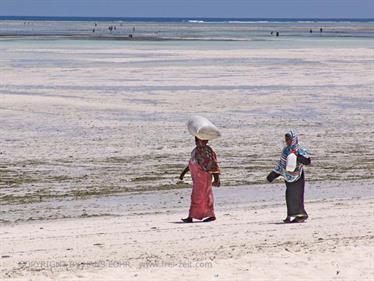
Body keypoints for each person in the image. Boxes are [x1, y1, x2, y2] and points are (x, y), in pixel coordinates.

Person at [266, 131, 311, 223]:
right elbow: (281, 165)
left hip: (298, 177)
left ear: (294, 140)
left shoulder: (299, 150)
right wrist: (273, 175)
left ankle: (301, 215)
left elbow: (307, 161)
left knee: (297, 196)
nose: (287, 141)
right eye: (286, 140)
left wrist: (297, 156)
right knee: (289, 196)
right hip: (288, 177)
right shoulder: (285, 150)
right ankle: (290, 215)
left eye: (289, 139)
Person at [179, 137, 221, 223]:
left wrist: (216, 178)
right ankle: (209, 215)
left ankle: (192, 217)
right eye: (196, 140)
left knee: (200, 197)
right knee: (202, 197)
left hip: (204, 178)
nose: (197, 142)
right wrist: (183, 173)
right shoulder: (196, 151)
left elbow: (213, 164)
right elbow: (192, 162)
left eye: (198, 140)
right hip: (197, 179)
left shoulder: (207, 151)